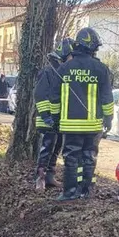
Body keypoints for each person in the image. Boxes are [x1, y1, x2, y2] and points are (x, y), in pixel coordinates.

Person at [48, 27, 115, 201]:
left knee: (71, 158)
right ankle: (86, 190)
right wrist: (109, 119)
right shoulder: (101, 69)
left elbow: (54, 97)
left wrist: (55, 119)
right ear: (93, 48)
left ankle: (70, 192)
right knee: (89, 157)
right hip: (93, 125)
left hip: (70, 125)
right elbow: (107, 98)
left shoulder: (64, 69)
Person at [34, 38, 73, 191]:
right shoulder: (49, 71)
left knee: (56, 147)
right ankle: (40, 178)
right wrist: (46, 116)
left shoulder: (63, 71)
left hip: (58, 119)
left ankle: (50, 176)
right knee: (46, 148)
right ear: (64, 55)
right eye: (71, 56)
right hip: (48, 120)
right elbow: (40, 94)